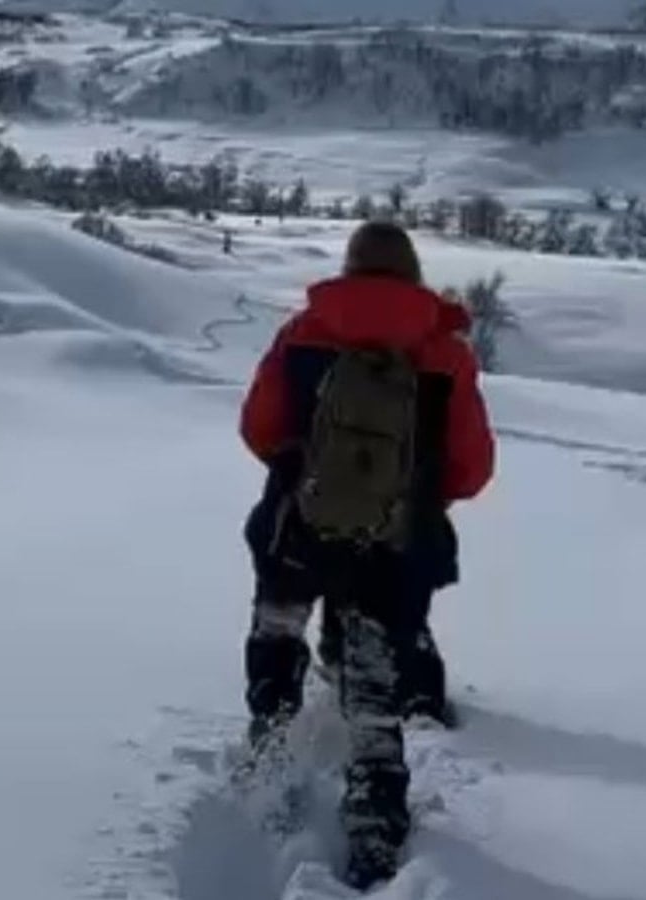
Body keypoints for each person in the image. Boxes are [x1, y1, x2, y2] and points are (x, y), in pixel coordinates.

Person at [239, 221, 494, 889]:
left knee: (278, 632)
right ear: (412, 275)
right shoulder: (444, 353)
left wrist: (305, 474)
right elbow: (471, 467)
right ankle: (374, 830)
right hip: (393, 544)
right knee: (375, 694)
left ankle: (270, 751)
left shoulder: (305, 331)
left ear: (349, 269)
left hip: (295, 525)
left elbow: (259, 426)